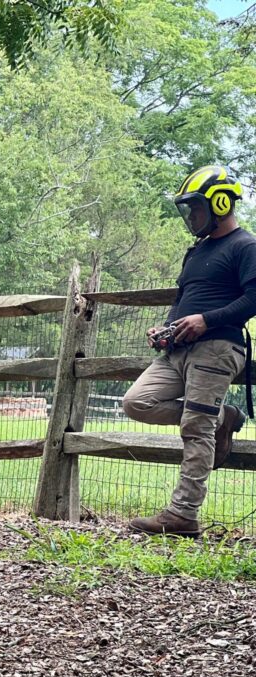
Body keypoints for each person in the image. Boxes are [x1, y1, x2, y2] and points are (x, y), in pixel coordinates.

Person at [123, 164, 256, 537]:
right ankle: (222, 416)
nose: (191, 216)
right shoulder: (196, 251)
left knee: (195, 427)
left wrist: (207, 321)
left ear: (219, 202)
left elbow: (254, 298)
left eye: (195, 208)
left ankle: (183, 514)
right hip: (178, 351)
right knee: (136, 402)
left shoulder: (246, 246)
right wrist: (165, 328)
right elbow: (183, 298)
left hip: (217, 349)